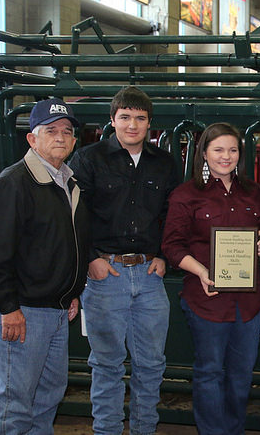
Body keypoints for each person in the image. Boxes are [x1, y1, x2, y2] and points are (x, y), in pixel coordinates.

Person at [68, 86, 179, 435]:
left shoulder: (164, 163)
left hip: (149, 275)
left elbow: (171, 215)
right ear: (112, 120)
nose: (133, 124)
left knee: (151, 364)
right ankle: (107, 430)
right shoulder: (88, 159)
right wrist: (90, 260)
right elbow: (72, 215)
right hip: (106, 274)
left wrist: (163, 256)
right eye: (125, 117)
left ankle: (145, 429)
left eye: (140, 118)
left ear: (150, 124)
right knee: (106, 364)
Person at [0, 98, 90, 434]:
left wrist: (72, 293)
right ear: (32, 138)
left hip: (55, 311)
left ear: (73, 141)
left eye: (67, 131)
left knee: (48, 397)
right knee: (16, 401)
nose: (60, 137)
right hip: (24, 312)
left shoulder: (69, 183)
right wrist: (8, 307)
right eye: (50, 130)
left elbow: (67, 245)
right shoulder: (13, 183)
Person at [162, 122, 260, 435]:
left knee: (241, 374)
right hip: (206, 301)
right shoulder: (186, 195)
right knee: (209, 372)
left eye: (233, 150)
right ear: (204, 154)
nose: (226, 156)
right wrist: (200, 271)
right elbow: (171, 245)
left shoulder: (253, 191)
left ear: (241, 153)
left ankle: (234, 429)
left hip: (248, 303)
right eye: (218, 149)